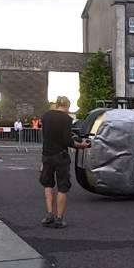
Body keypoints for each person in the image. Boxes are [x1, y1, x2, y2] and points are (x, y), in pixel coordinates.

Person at [40, 96, 90, 228]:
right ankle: (59, 219)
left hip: (46, 155)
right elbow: (67, 141)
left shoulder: (46, 116)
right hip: (60, 156)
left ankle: (49, 213)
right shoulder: (66, 119)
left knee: (48, 184)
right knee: (62, 186)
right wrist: (82, 145)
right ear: (67, 106)